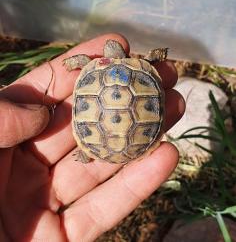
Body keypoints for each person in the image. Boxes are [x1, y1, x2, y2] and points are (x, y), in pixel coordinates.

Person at [0, 34, 185, 242]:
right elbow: (151, 61)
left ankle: (87, 152)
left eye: (109, 47)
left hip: (97, 146)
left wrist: (74, 63)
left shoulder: (91, 66)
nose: (109, 46)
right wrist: (157, 56)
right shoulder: (142, 67)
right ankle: (89, 152)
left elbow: (82, 63)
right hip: (137, 144)